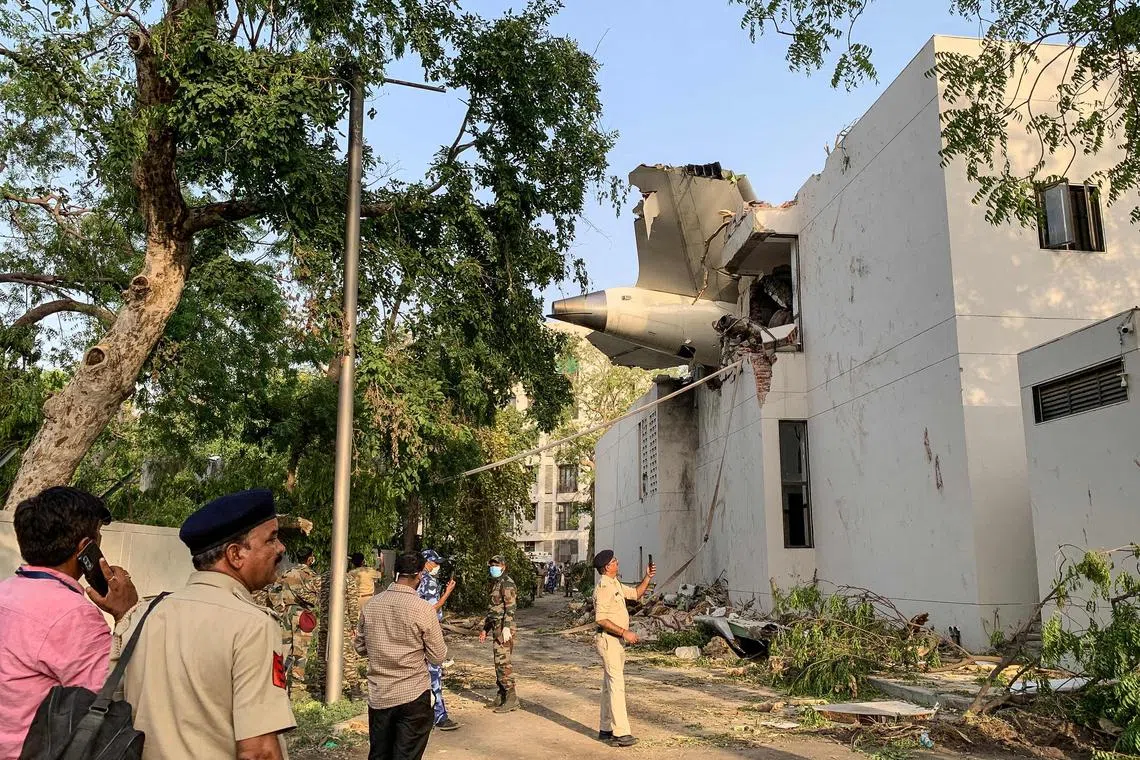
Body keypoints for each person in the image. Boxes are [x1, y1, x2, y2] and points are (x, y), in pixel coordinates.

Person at [112, 488, 296, 760]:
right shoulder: (252, 626)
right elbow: (258, 752)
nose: (280, 548)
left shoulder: (143, 615)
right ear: (235, 555)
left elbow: (116, 708)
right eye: (271, 538)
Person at [0, 486, 138, 760]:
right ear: (86, 547)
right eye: (98, 536)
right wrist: (128, 614)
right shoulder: (74, 616)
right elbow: (116, 693)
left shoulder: (6, 591)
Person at [354, 552, 447, 760]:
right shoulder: (423, 609)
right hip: (413, 695)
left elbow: (359, 647)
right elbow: (438, 656)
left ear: (395, 572)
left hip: (380, 696)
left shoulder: (371, 605)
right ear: (419, 575)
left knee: (379, 754)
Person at [592, 549, 655, 748]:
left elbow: (635, 594)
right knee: (617, 686)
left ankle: (605, 729)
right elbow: (601, 619)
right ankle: (621, 733)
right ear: (607, 567)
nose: (617, 562)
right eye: (615, 561)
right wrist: (624, 632)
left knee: (609, 686)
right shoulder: (604, 587)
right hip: (609, 640)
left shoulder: (614, 583)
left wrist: (647, 577)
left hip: (615, 641)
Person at [259, 546, 319, 691]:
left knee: (284, 649)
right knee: (300, 651)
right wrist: (313, 603)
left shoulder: (286, 573)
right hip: (302, 614)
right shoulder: (310, 575)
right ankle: (297, 687)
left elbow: (273, 590)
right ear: (310, 558)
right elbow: (314, 596)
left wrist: (280, 608)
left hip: (286, 614)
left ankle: (278, 681)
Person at [416, 549, 458, 731]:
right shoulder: (429, 582)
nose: (437, 566)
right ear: (426, 562)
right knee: (434, 674)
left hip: (415, 632)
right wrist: (447, 593)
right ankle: (439, 716)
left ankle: (421, 715)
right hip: (428, 632)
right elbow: (432, 610)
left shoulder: (414, 579)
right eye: (435, 562)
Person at [309, 563, 363, 698]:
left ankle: (323, 688)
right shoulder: (347, 579)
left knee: (323, 655)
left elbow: (308, 595)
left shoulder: (321, 578)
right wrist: (354, 624)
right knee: (347, 655)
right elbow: (352, 604)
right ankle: (355, 690)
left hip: (325, 622)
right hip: (341, 623)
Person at [479, 555, 518, 712]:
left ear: (503, 566)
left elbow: (511, 607)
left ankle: (511, 698)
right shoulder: (496, 583)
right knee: (498, 664)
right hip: (496, 627)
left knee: (503, 663)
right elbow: (493, 610)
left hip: (504, 629)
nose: (493, 568)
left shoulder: (507, 583)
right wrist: (485, 629)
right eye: (491, 565)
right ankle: (502, 695)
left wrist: (506, 627)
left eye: (496, 565)